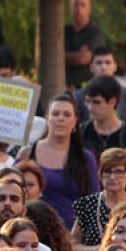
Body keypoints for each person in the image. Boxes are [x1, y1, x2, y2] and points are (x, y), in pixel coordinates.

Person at [24, 93, 96, 229]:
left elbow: (93, 203)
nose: (61, 119)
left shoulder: (86, 159)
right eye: (55, 114)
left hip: (72, 236)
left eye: (66, 115)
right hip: (33, 230)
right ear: (47, 118)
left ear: (75, 121)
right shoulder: (28, 153)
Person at [72, 148, 126, 251]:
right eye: (107, 171)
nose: (112, 177)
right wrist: (99, 249)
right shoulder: (87, 204)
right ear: (99, 175)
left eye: (118, 172)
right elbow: (72, 246)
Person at [63, 0, 106, 89]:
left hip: (86, 89)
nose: (79, 8)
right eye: (76, 5)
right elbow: (54, 57)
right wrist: (78, 54)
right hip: (63, 86)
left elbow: (83, 59)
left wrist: (65, 56)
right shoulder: (63, 32)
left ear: (89, 9)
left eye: (83, 5)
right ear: (70, 8)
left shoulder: (96, 33)